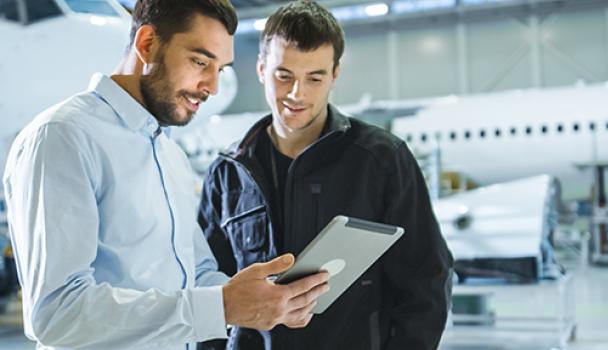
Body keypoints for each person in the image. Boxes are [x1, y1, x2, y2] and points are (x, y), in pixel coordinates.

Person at [2, 1, 330, 349]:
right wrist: (221, 306)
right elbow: (57, 313)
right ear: (146, 44)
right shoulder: (64, 136)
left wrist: (263, 299)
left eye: (220, 68)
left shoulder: (169, 153)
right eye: (201, 62)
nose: (212, 86)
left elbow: (195, 273)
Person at [197, 1, 454, 349]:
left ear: (334, 75)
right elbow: (209, 293)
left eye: (314, 78)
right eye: (283, 75)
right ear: (260, 69)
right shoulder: (228, 173)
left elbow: (426, 281)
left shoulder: (381, 160)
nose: (296, 94)